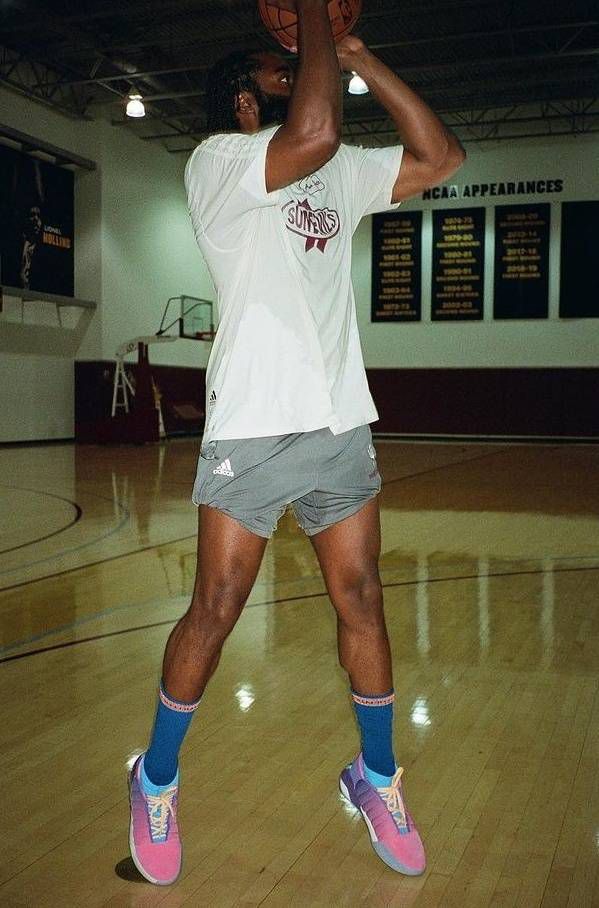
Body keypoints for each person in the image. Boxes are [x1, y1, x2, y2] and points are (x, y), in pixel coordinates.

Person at [127, 0, 465, 887]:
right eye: (276, 71)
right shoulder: (218, 163)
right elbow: (311, 129)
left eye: (296, 65)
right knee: (217, 607)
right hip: (250, 424)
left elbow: (440, 157)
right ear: (242, 101)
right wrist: (314, 16)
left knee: (361, 599)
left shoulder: (337, 170)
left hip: (338, 423)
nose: (297, 72)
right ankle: (155, 778)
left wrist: (360, 53)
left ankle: (377, 777)